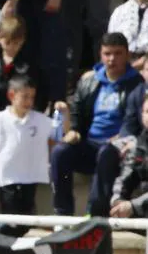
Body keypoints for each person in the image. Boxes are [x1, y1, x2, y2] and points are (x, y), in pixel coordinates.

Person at [51, 32, 144, 217]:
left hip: (119, 150)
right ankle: (62, 215)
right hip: (90, 144)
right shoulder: (90, 81)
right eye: (107, 54)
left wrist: (121, 137)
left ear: (127, 55)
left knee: (106, 151)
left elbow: (135, 119)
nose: (112, 59)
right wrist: (75, 130)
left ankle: (94, 215)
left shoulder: (137, 84)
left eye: (118, 53)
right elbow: (77, 109)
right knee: (60, 152)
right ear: (101, 55)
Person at [0, 75, 62, 220]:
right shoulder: (0, 119)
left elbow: (59, 134)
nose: (29, 102)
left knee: (26, 219)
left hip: (30, 178)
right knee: (10, 219)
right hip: (7, 179)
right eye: (25, 97)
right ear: (12, 95)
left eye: (32, 97)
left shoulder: (39, 120)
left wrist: (64, 113)